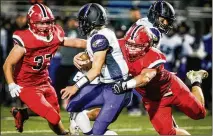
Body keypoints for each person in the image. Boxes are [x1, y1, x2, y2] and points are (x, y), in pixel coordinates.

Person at [72, 1, 208, 135]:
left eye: (137, 46)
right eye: (131, 44)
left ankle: (196, 80)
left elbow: (145, 77)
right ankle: (79, 118)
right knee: (166, 132)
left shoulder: (153, 54)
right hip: (150, 96)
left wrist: (125, 84)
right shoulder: (123, 46)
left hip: (167, 87)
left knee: (199, 113)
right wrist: (83, 56)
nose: (133, 49)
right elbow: (99, 45)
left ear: (146, 46)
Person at [3, 3, 87, 134]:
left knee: (54, 113)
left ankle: (23, 113)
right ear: (31, 23)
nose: (45, 26)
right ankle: (64, 134)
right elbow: (8, 64)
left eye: (48, 22)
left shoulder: (55, 34)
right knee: (53, 117)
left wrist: (98, 44)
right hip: (27, 85)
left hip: (44, 80)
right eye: (40, 23)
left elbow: (76, 42)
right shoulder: (26, 39)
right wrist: (11, 84)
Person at [60, 3, 132, 135]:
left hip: (118, 88)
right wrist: (55, 40)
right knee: (73, 104)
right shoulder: (98, 34)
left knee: (98, 132)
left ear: (90, 20)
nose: (80, 24)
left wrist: (75, 86)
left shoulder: (100, 37)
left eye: (82, 21)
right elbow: (80, 44)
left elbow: (95, 70)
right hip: (105, 85)